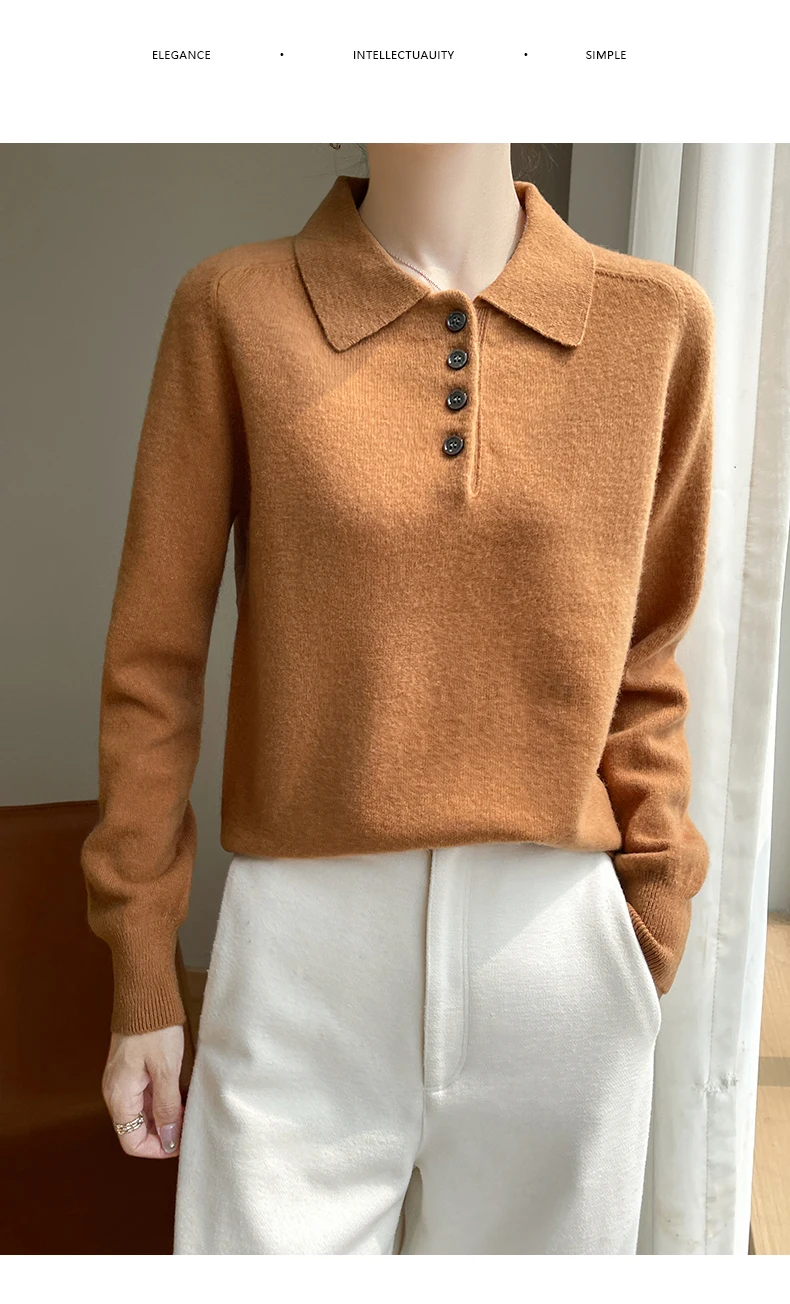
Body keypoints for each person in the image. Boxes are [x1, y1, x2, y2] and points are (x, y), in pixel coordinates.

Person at [81, 142, 716, 1254]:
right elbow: (153, 661)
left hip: (558, 956)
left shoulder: (655, 324)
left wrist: (650, 909)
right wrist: (144, 963)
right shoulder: (235, 308)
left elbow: (647, 653)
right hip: (302, 958)